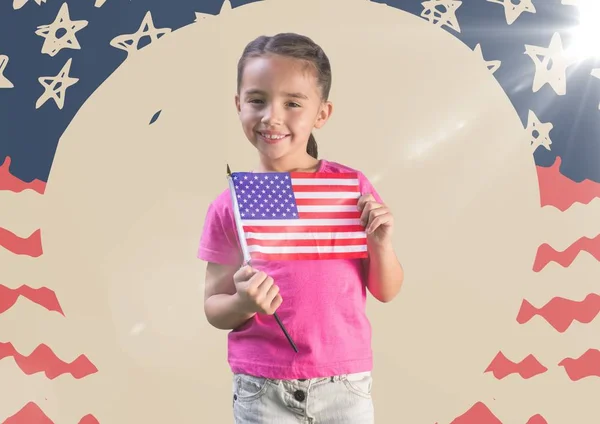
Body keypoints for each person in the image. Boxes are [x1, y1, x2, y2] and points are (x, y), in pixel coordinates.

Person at [198, 32, 404, 423]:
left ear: (321, 113)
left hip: (344, 384)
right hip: (261, 385)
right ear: (238, 104)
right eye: (257, 100)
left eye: (292, 103)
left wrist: (381, 244)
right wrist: (243, 303)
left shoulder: (350, 190)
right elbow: (213, 306)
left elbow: (386, 290)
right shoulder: (230, 204)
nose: (272, 116)